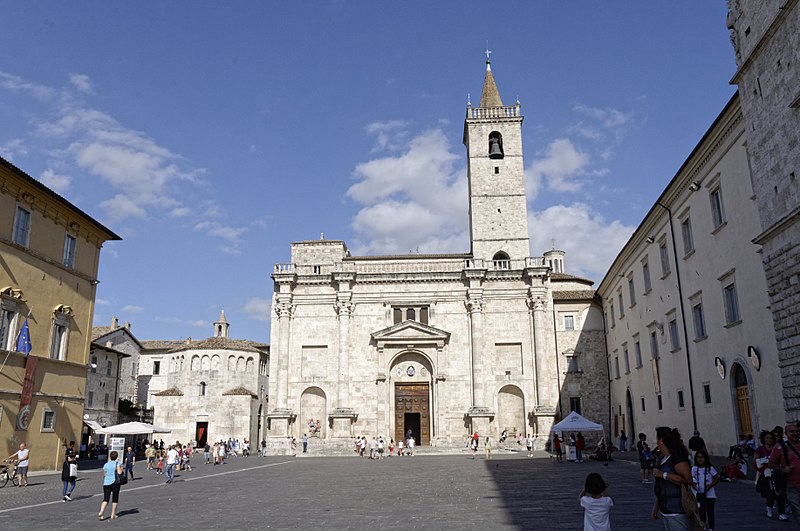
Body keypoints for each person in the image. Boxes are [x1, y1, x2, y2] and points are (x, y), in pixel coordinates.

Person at [651, 426, 692, 530]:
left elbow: (688, 481)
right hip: (665, 510)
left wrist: (663, 475)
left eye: (657, 439)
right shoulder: (662, 458)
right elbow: (661, 486)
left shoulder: (677, 458)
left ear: (661, 440)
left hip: (677, 510)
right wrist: (656, 505)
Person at [770, 422, 800, 524]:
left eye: (797, 431)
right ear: (786, 433)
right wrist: (783, 469)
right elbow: (771, 463)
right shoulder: (780, 447)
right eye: (792, 431)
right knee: (798, 512)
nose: (795, 433)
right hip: (791, 486)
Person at [755, 429, 783, 519]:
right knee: (770, 491)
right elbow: (755, 462)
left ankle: (781, 510)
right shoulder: (760, 449)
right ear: (764, 439)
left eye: (771, 438)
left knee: (778, 491)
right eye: (767, 438)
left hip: (777, 473)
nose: (769, 440)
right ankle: (769, 506)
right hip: (766, 474)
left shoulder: (777, 448)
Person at [691, 449, 718, 531]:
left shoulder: (710, 468)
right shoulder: (694, 468)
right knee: (701, 511)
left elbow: (716, 479)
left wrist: (709, 486)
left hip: (710, 494)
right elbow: (691, 479)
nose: (700, 459)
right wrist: (694, 484)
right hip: (699, 493)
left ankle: (711, 528)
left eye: (702, 457)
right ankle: (703, 527)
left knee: (710, 512)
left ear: (705, 458)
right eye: (698, 457)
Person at [97, 451, 123, 520]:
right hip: (115, 482)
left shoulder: (106, 464)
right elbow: (119, 472)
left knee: (106, 499)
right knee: (115, 498)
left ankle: (101, 512)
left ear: (110, 457)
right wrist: (121, 467)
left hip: (106, 483)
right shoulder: (118, 463)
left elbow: (104, 474)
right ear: (117, 457)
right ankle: (113, 514)